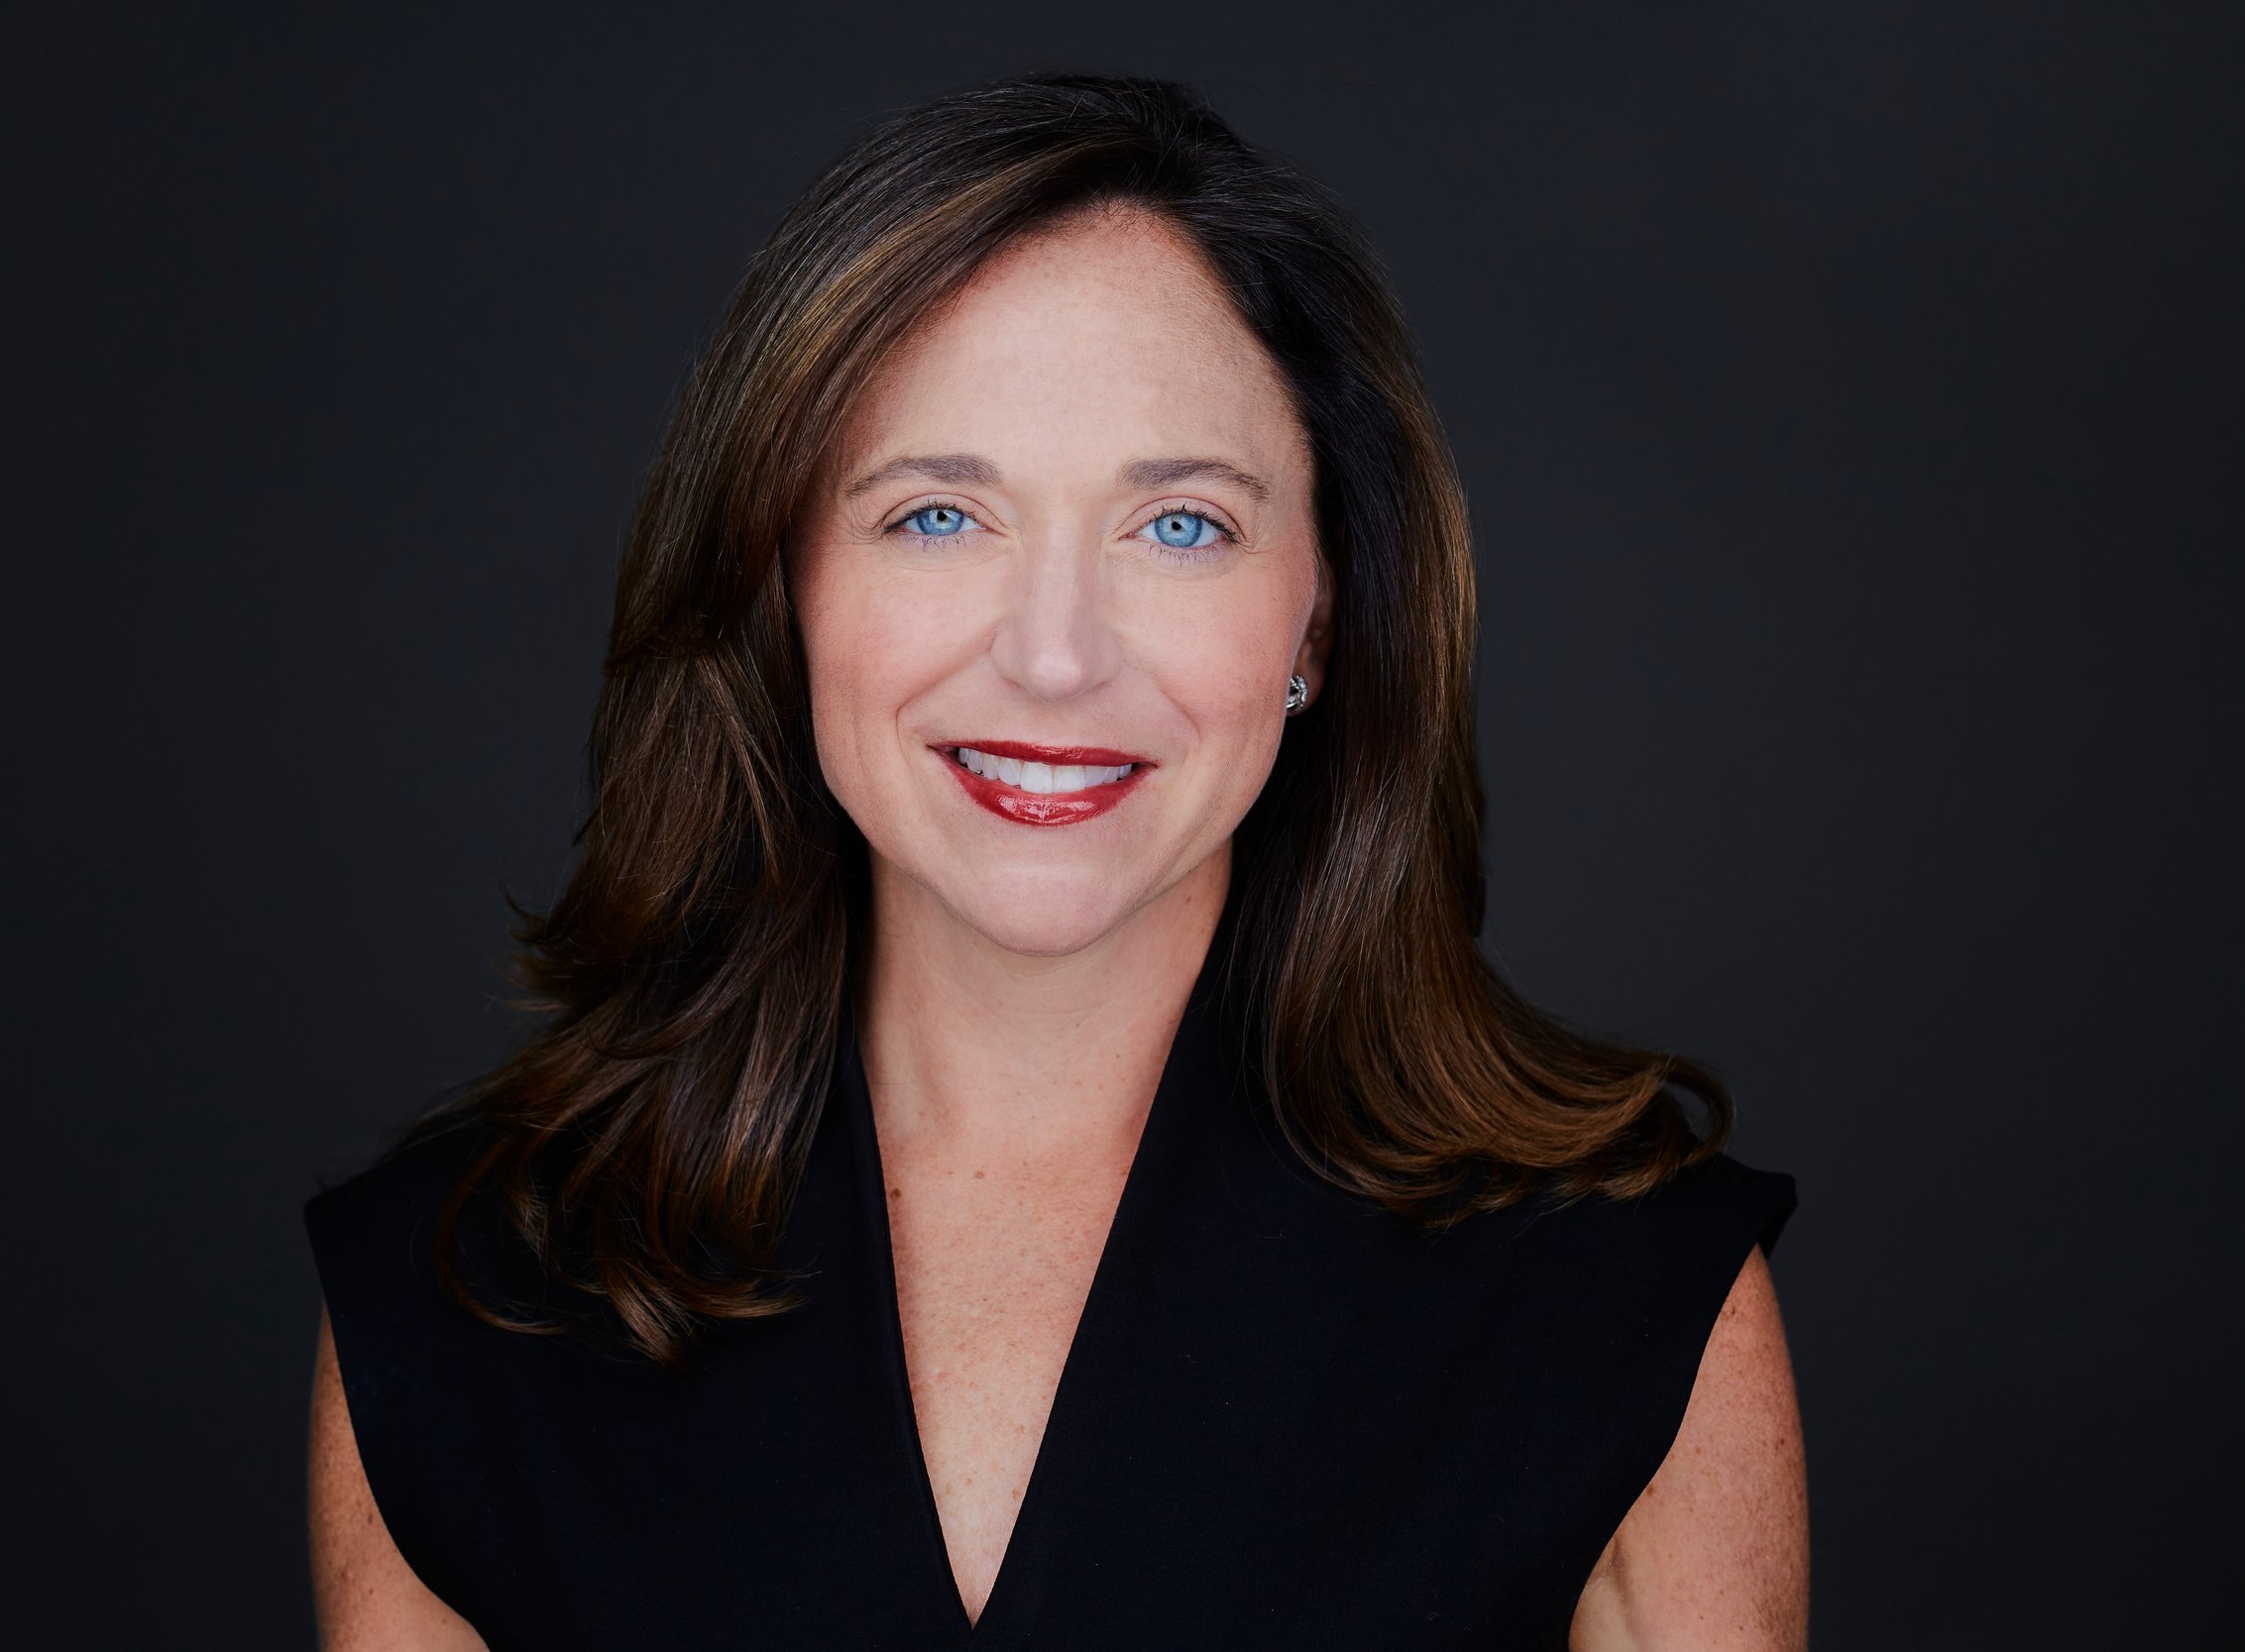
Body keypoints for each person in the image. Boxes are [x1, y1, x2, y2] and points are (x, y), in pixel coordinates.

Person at [304, 72, 1806, 1651]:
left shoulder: (1623, 1300)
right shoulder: (462, 1296)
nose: (1055, 656)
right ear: (783, 581)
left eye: (1179, 527)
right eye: (941, 514)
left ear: (1323, 613)